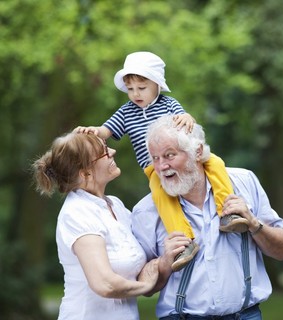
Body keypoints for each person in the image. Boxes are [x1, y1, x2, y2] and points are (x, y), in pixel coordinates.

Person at [74, 51, 249, 272]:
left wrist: (187, 118)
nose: (135, 94)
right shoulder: (126, 112)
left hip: (184, 156)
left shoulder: (169, 104)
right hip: (154, 167)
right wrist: (93, 131)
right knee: (161, 195)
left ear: (156, 85)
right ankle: (184, 239)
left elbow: (185, 119)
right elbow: (105, 130)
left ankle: (228, 213)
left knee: (216, 164)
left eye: (141, 88)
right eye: (130, 89)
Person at [131, 115, 283, 319]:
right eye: (155, 158)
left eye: (169, 155)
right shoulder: (145, 211)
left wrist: (253, 223)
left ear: (197, 152)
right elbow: (144, 287)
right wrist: (163, 262)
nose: (161, 166)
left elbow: (282, 249)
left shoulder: (244, 182)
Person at [31, 132, 159, 320]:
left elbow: (146, 258)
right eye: (104, 151)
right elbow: (104, 283)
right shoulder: (76, 213)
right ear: (85, 173)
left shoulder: (115, 205)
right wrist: (145, 287)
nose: (113, 151)